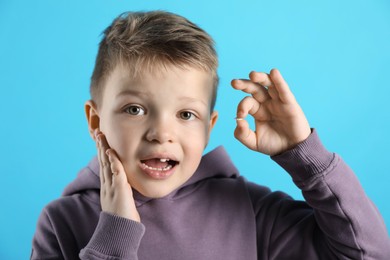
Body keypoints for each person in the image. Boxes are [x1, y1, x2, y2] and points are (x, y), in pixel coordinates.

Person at [31, 11, 390, 260]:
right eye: (135, 109)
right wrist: (116, 233)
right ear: (95, 121)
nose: (161, 133)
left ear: (208, 128)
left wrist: (306, 156)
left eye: (186, 114)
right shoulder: (61, 222)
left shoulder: (248, 210)